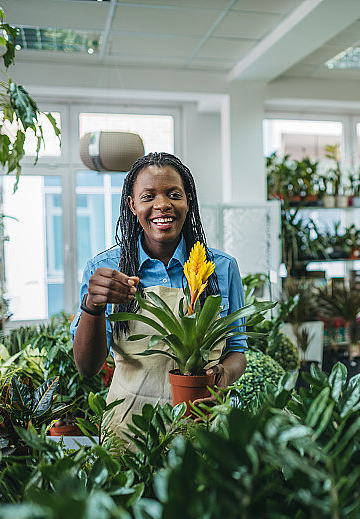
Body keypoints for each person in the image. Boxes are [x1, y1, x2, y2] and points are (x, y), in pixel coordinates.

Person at [71, 152, 247, 438]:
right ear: (132, 205)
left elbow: (237, 351)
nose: (162, 204)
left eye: (174, 195)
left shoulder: (222, 268)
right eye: (148, 196)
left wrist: (223, 376)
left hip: (203, 427)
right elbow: (87, 368)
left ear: (188, 200)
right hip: (129, 431)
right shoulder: (105, 269)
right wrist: (93, 305)